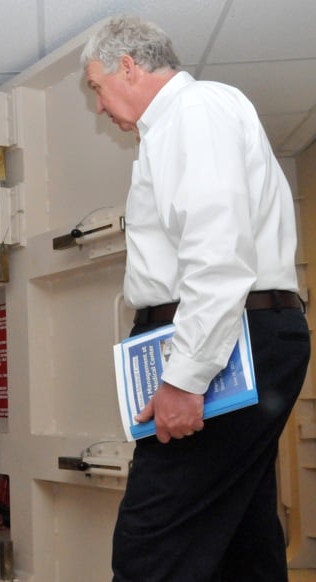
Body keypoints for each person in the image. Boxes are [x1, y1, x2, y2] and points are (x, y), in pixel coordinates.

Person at [81, 15, 310, 582]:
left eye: (96, 88)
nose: (99, 106)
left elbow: (217, 253)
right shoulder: (176, 127)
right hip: (239, 335)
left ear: (127, 66)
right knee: (240, 536)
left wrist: (186, 379)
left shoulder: (194, 110)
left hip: (230, 341)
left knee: (151, 543)